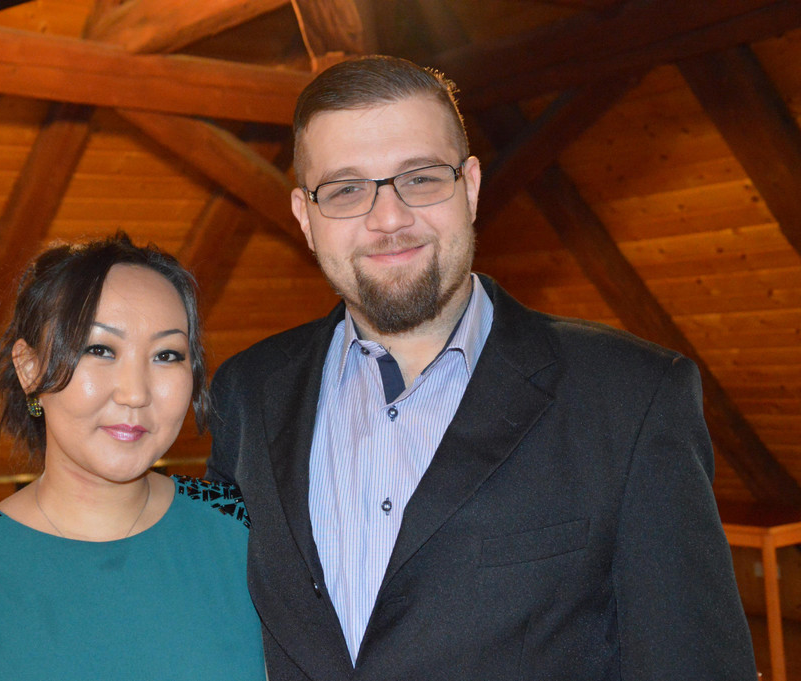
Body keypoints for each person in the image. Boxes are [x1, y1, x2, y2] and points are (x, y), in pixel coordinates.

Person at [206, 56, 756, 680]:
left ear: (469, 186)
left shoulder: (632, 397)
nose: (389, 218)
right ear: (305, 218)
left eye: (420, 178)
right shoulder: (245, 394)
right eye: (346, 190)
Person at [0, 233, 265, 680]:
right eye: (99, 349)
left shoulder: (247, 529)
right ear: (29, 368)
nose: (135, 393)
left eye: (166, 355)